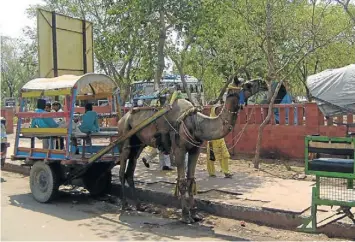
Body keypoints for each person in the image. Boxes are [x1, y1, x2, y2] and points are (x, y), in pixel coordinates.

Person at [206, 105, 233, 178]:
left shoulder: (221, 119)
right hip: (212, 141)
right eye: (218, 110)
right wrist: (210, 143)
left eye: (220, 110)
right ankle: (211, 172)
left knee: (225, 155)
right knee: (211, 158)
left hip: (221, 140)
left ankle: (226, 171)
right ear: (214, 111)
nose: (220, 111)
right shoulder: (210, 121)